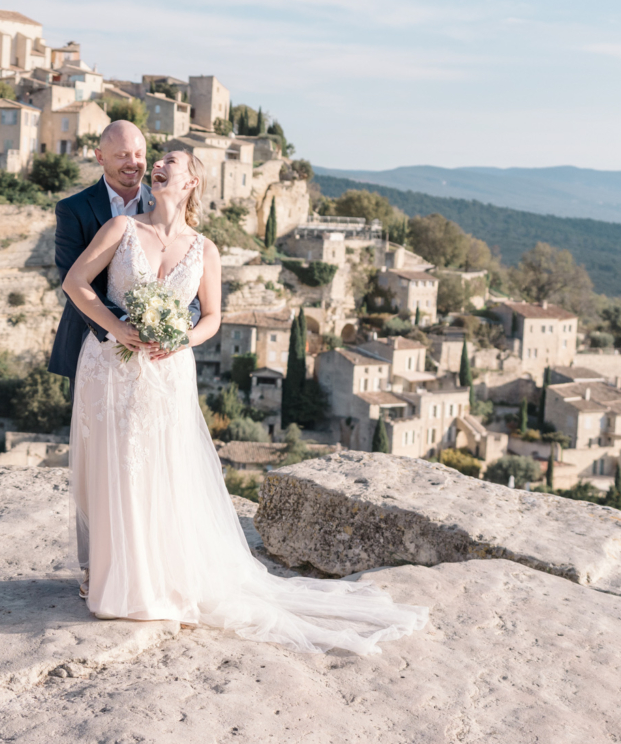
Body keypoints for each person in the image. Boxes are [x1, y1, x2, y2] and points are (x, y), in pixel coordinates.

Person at [60, 147, 429, 655]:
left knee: (163, 469)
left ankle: (161, 579)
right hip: (112, 368)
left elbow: (212, 318)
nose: (157, 166)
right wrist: (119, 328)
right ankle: (117, 581)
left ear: (191, 182)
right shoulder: (121, 229)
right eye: (157, 160)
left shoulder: (205, 249)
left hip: (169, 371)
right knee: (117, 468)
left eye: (170, 161)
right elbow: (75, 282)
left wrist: (180, 338)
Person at [48, 122, 200, 596]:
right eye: (122, 156)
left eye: (140, 153)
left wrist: (171, 326)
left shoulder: (163, 205)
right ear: (100, 157)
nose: (134, 163)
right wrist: (125, 329)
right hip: (99, 349)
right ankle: (98, 569)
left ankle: (151, 563)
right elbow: (73, 281)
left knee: (153, 460)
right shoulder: (75, 210)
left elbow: (188, 285)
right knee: (99, 462)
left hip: (159, 359)